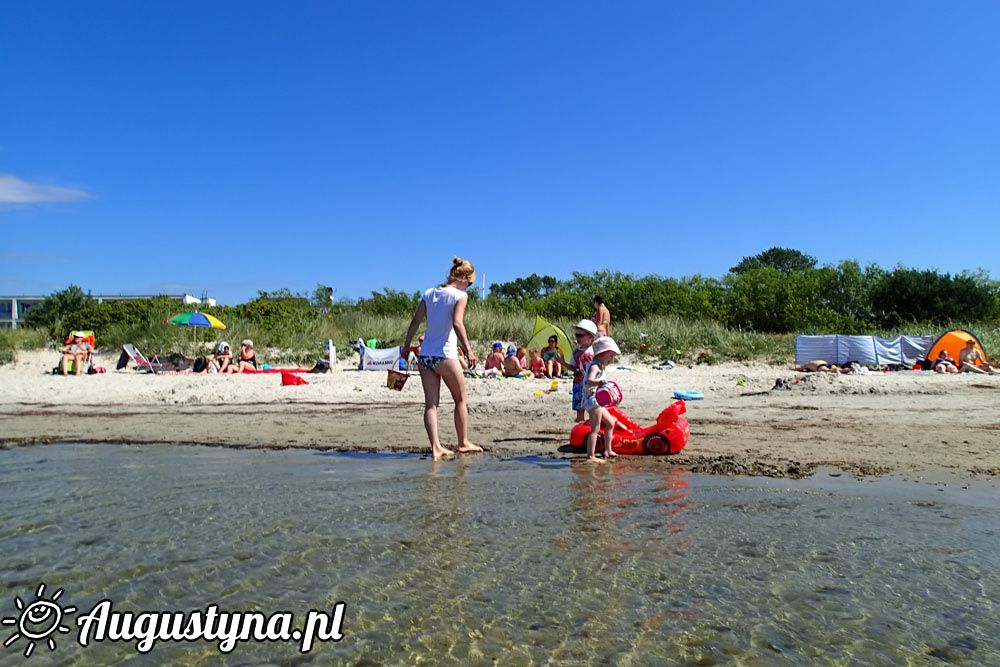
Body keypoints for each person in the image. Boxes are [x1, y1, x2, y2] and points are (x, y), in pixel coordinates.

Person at [402, 256, 482, 459]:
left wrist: (406, 346)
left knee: (431, 404)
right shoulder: (459, 296)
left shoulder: (430, 293)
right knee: (461, 399)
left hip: (426, 355)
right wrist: (469, 351)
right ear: (463, 277)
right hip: (445, 355)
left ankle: (436, 448)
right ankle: (463, 442)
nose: (468, 288)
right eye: (469, 284)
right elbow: (457, 323)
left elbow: (415, 321)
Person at [583, 336, 622, 463]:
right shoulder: (595, 366)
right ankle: (590, 456)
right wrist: (599, 381)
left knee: (611, 423)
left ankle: (607, 450)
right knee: (595, 429)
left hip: (597, 401)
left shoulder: (600, 365)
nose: (611, 359)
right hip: (593, 401)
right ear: (602, 353)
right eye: (610, 356)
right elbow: (589, 380)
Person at [558, 319, 597, 423]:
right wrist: (563, 363)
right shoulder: (576, 352)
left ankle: (593, 425)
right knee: (579, 407)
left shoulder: (594, 351)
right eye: (576, 335)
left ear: (590, 337)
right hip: (578, 383)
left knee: (593, 407)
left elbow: (599, 367)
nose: (577, 338)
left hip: (591, 384)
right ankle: (581, 423)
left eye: (580, 335)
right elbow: (573, 367)